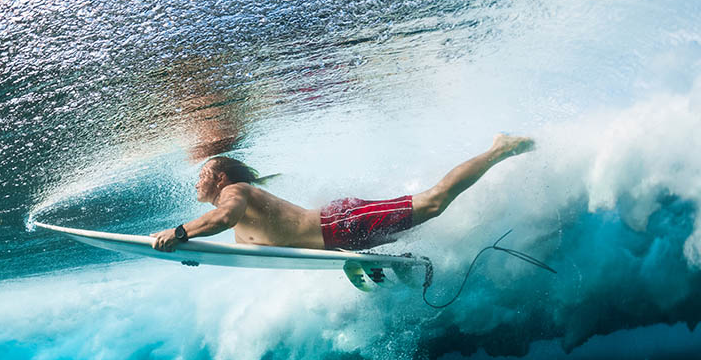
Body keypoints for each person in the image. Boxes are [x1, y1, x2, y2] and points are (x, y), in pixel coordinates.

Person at [150, 134, 535, 253]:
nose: (196, 182)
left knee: (433, 203)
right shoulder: (236, 198)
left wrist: (179, 232)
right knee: (426, 213)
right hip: (339, 234)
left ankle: (498, 149)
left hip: (340, 224)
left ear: (220, 177)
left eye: (203, 174)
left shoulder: (235, 191)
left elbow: (224, 218)